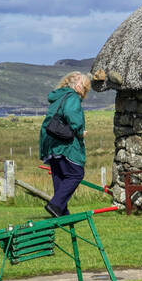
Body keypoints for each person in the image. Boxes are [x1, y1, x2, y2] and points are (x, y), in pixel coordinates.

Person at [39, 71, 89, 217]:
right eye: (85, 88)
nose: (84, 92)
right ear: (78, 85)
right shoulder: (72, 96)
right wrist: (80, 131)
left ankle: (61, 210)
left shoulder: (58, 96)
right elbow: (72, 114)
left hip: (50, 140)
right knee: (76, 174)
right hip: (64, 141)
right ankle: (55, 205)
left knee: (59, 174)